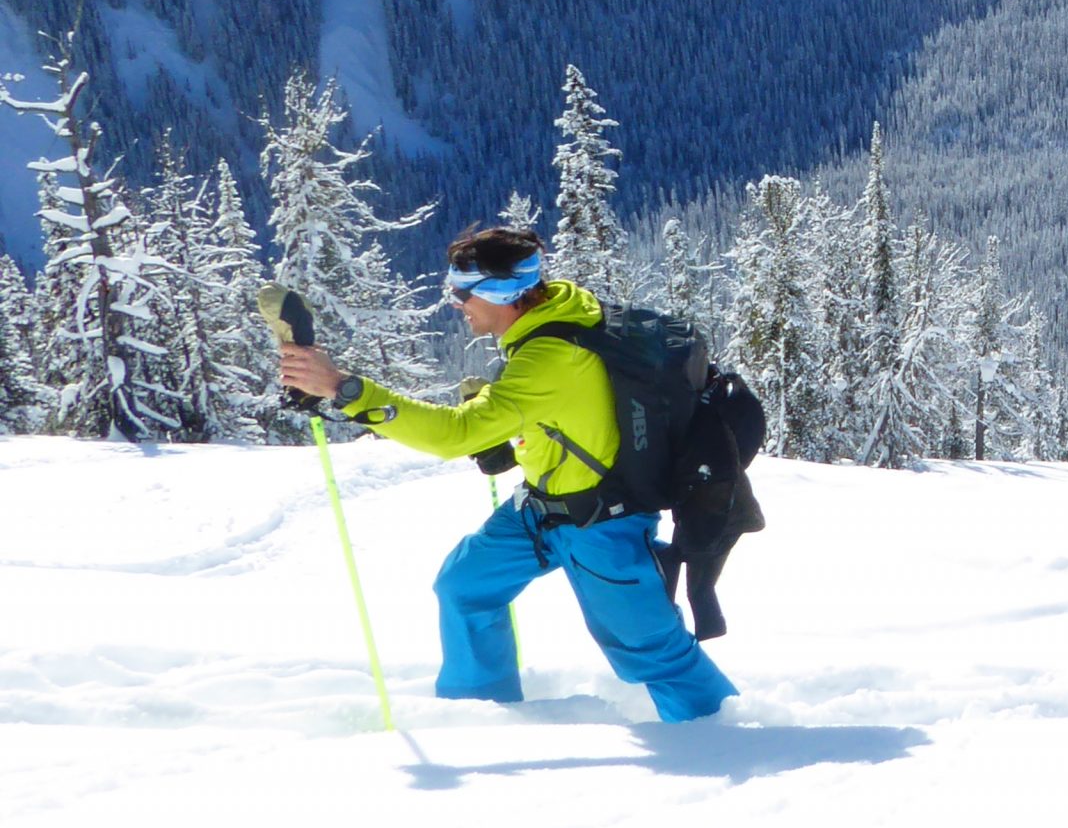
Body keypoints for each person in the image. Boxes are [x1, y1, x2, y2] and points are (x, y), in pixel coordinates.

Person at [278, 226, 736, 722]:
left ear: (501, 293)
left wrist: (346, 390)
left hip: (603, 524)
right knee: (465, 585)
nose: (456, 303)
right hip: (543, 510)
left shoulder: (549, 357)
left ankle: (721, 738)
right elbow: (573, 411)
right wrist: (517, 433)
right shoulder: (553, 319)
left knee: (649, 650)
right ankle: (479, 716)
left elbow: (453, 435)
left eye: (462, 290)